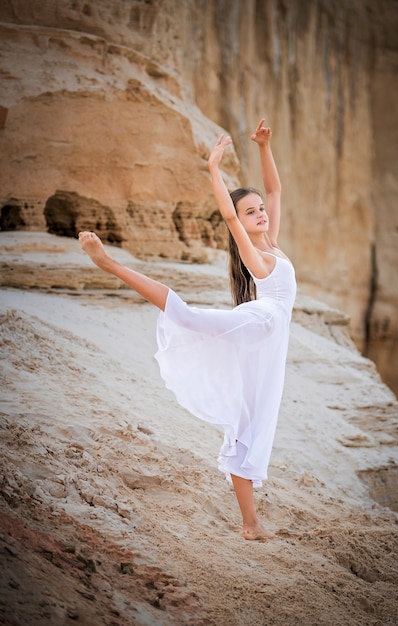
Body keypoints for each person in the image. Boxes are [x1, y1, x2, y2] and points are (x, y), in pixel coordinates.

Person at [79, 119, 297, 540]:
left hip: (272, 337)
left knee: (252, 420)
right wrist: (214, 170)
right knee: (189, 317)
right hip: (263, 321)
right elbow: (230, 217)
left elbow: (275, 192)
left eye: (260, 211)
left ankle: (251, 524)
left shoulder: (272, 243)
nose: (261, 214)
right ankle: (109, 263)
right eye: (251, 213)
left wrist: (264, 147)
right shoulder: (257, 257)